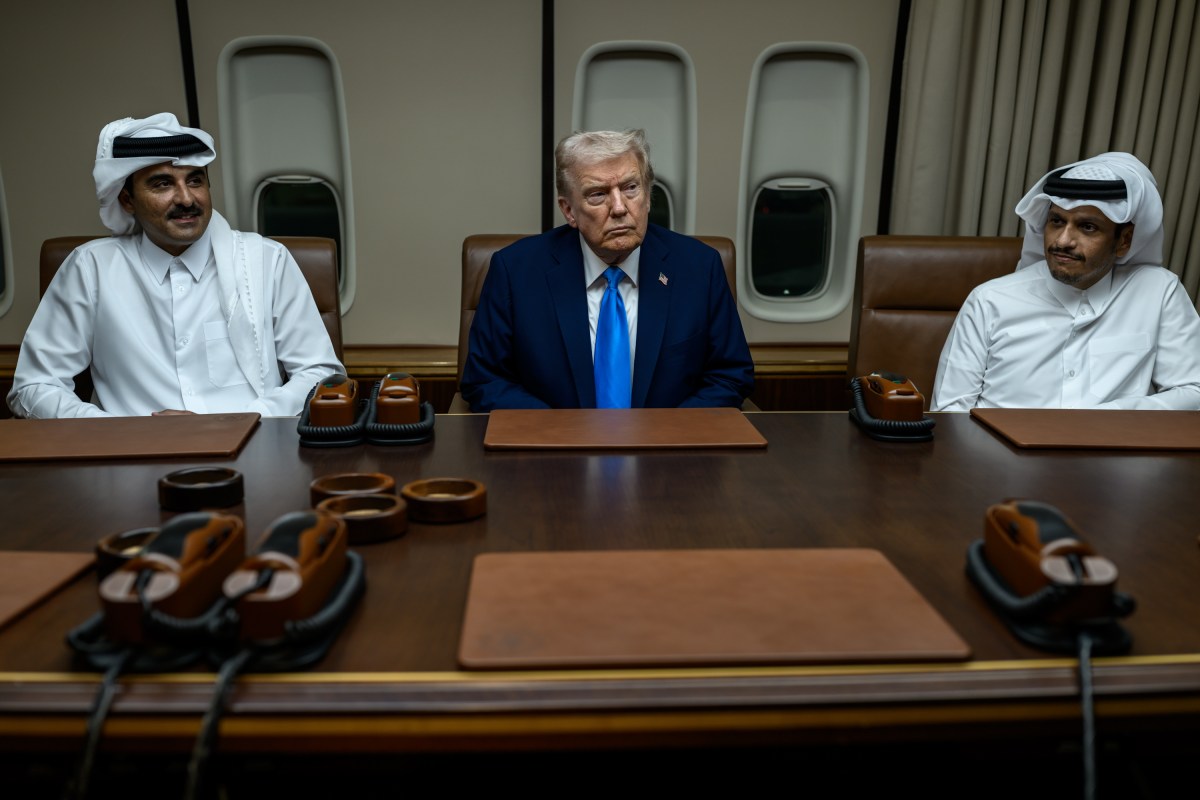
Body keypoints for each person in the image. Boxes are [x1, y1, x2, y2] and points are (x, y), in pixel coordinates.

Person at [8, 113, 343, 418]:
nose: (186, 198)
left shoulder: (267, 261)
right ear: (127, 200)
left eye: (195, 180)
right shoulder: (90, 269)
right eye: (162, 183)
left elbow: (321, 374)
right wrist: (123, 433)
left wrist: (237, 424)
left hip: (255, 450)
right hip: (130, 462)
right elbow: (34, 387)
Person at [460, 129, 753, 411]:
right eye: (598, 194)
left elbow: (729, 375)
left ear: (648, 197)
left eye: (630, 188)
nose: (619, 208)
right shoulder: (516, 271)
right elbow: (485, 379)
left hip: (668, 452)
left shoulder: (699, 268)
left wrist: (665, 436)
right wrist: (561, 434)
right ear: (569, 210)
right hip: (554, 453)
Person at [931, 152, 1200, 411]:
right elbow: (949, 411)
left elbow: (1193, 390)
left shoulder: (1159, 292)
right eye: (1057, 221)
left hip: (1111, 455)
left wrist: (1107, 418)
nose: (1062, 241)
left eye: (1087, 227)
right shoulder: (989, 300)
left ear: (1124, 240)